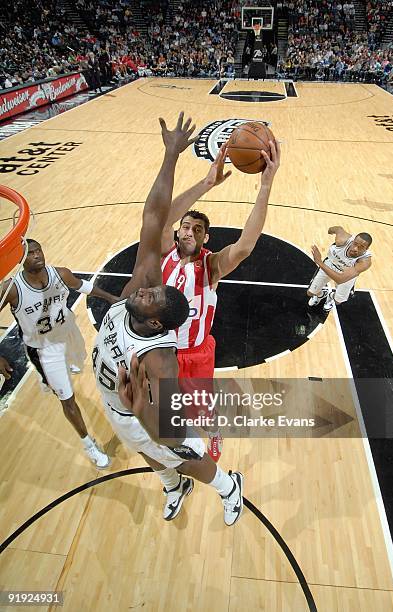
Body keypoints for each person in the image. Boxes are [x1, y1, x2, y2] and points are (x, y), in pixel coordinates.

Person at [94, 112, 244, 525]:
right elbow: (153, 217)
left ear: (157, 324)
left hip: (141, 413)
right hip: (116, 406)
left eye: (152, 296)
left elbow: (170, 433)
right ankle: (172, 486)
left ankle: (229, 487)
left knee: (184, 457)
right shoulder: (137, 289)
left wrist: (142, 412)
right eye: (153, 287)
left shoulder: (158, 361)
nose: (145, 287)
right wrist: (171, 156)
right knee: (146, 454)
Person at [160, 139, 281, 461]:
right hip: (160, 349)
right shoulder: (163, 255)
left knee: (201, 408)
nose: (188, 231)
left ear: (205, 237)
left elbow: (244, 246)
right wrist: (206, 183)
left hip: (195, 353)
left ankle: (212, 433)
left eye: (197, 229)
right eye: (185, 226)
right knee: (166, 404)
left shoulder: (211, 266)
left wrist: (265, 185)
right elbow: (162, 219)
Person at [0, 239, 118, 468]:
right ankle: (89, 445)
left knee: (78, 364)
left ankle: (56, 377)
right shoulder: (11, 288)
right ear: (19, 260)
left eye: (38, 250)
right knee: (68, 399)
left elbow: (83, 285)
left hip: (70, 333)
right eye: (30, 253)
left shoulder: (60, 274)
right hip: (45, 349)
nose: (37, 255)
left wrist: (112, 298)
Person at [308, 227, 372, 311]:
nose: (355, 249)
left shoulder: (365, 261)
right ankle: (321, 295)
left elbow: (340, 279)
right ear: (352, 241)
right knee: (310, 293)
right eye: (355, 244)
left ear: (366, 249)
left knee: (338, 301)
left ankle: (331, 296)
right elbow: (338, 229)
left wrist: (319, 262)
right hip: (330, 264)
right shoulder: (342, 240)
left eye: (361, 247)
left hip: (346, 276)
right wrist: (330, 230)